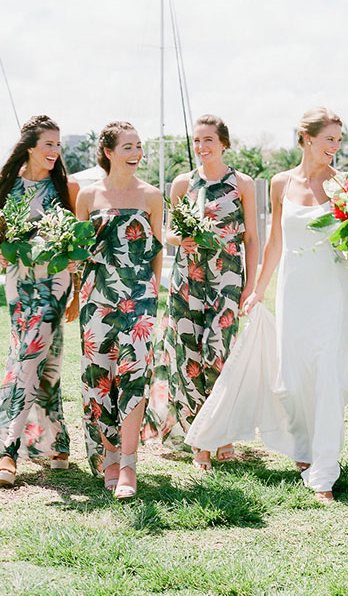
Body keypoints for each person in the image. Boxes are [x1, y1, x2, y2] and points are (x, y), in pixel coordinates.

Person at [242, 107, 348, 504]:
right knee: (294, 376)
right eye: (330, 140)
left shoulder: (343, 185)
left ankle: (324, 470)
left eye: (339, 140)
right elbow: (275, 242)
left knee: (328, 374)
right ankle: (304, 449)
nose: (336, 148)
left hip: (331, 289)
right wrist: (258, 288)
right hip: (294, 289)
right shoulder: (279, 183)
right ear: (306, 139)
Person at [144, 114, 258, 469]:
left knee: (218, 356)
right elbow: (167, 233)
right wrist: (182, 237)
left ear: (223, 143)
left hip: (226, 279)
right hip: (186, 281)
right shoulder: (182, 183)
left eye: (208, 140)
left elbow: (252, 237)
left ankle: (220, 431)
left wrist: (251, 286)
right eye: (196, 141)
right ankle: (200, 441)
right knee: (188, 359)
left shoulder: (242, 183)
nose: (201, 147)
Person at [74, 121, 163, 499]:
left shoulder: (153, 196)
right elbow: (78, 254)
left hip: (139, 298)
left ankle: (128, 464)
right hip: (96, 299)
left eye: (139, 146)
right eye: (128, 147)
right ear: (108, 152)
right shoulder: (87, 196)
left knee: (133, 377)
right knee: (101, 378)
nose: (136, 154)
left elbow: (158, 251)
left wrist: (153, 292)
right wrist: (79, 294)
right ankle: (108, 457)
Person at [0, 115, 79, 487]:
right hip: (19, 282)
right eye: (49, 144)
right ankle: (56, 443)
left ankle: (6, 449)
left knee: (28, 355)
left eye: (58, 145)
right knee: (43, 358)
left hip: (54, 281)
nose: (55, 151)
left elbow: (77, 243)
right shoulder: (6, 186)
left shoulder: (67, 188)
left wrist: (75, 289)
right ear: (30, 147)